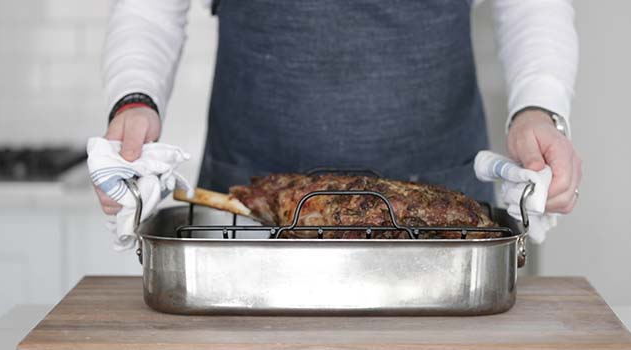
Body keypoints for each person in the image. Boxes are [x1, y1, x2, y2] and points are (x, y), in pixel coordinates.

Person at [96, 0, 581, 217]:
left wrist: (539, 110)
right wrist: (135, 99)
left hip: (437, 209)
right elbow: (149, 8)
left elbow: (532, 5)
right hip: (247, 208)